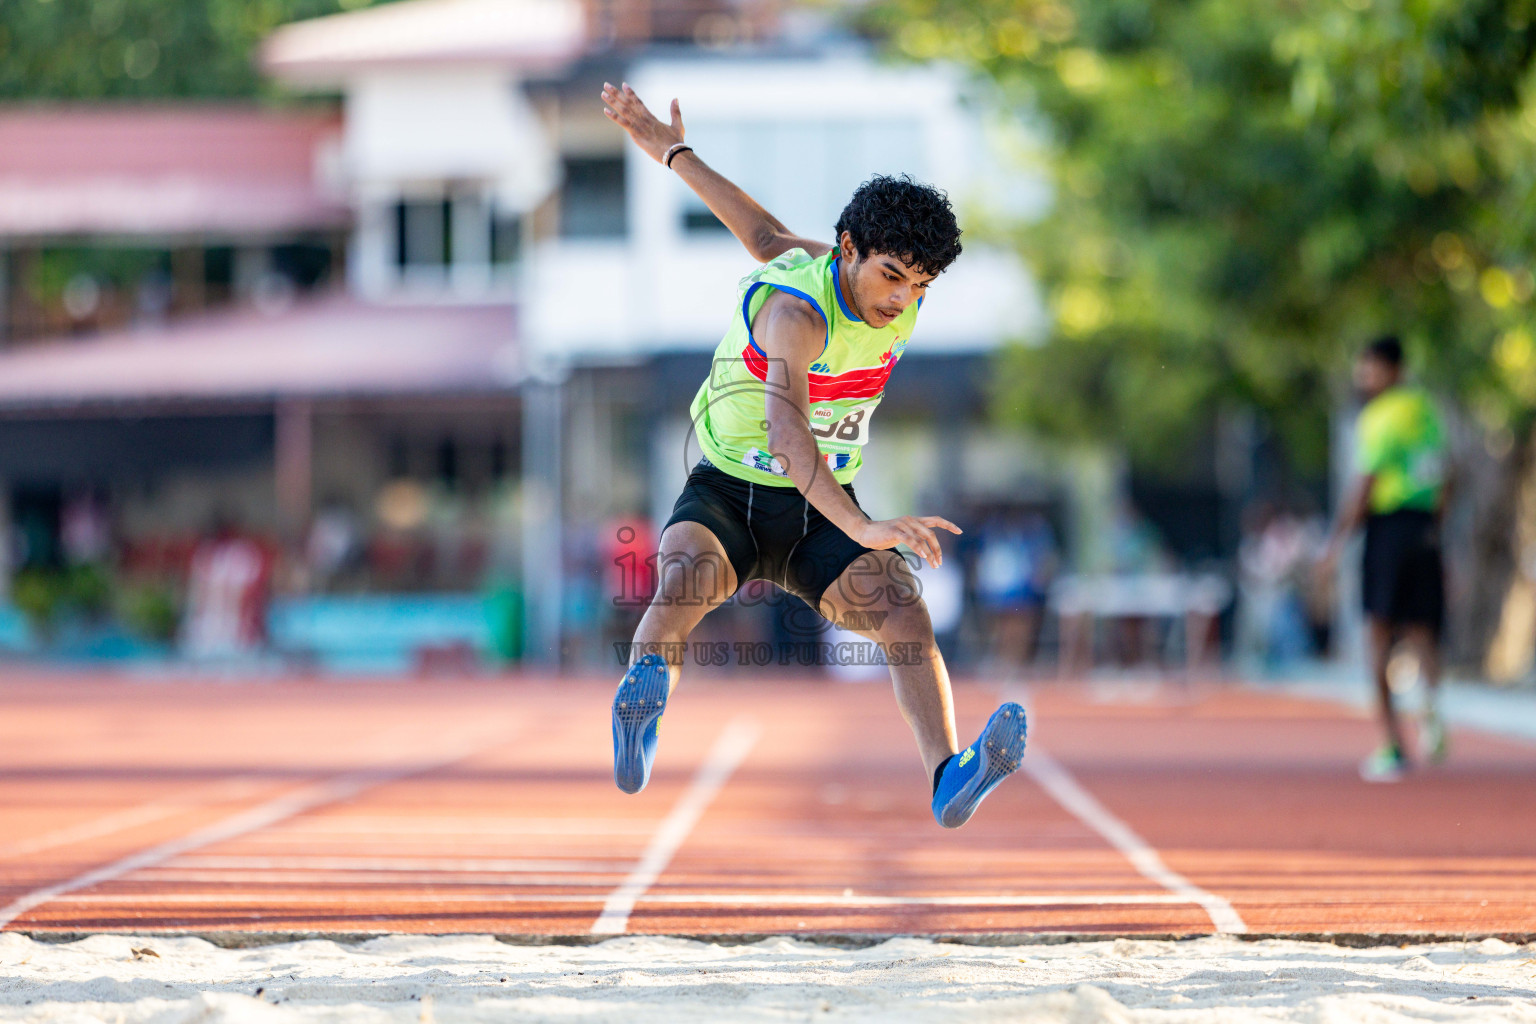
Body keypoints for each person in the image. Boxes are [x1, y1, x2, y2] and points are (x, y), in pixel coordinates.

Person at [600, 82, 1026, 828]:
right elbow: (788, 436)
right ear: (848, 250)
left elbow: (763, 235)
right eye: (892, 276)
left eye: (920, 284)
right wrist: (864, 528)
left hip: (817, 512)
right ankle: (641, 703)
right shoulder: (796, 314)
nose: (902, 300)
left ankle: (949, 775)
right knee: (682, 584)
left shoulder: (895, 292)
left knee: (904, 616)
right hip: (731, 490)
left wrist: (671, 150)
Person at [1319, 336, 1449, 782]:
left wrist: (1335, 543)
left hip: (1388, 529)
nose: (1363, 378)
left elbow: (1365, 483)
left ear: (1393, 370)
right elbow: (1448, 473)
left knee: (1378, 632)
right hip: (1424, 526)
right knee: (1421, 630)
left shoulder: (1379, 417)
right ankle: (1431, 711)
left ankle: (1393, 745)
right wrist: (1436, 523)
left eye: (1370, 369)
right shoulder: (1427, 411)